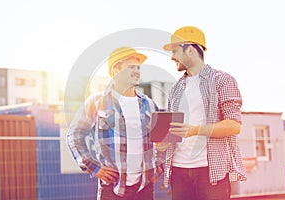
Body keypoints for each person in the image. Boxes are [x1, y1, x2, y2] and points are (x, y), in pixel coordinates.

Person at [159, 26, 247, 200]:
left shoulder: (222, 81)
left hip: (210, 172)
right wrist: (163, 142)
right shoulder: (176, 89)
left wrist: (195, 130)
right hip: (179, 170)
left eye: (175, 51)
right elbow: (175, 130)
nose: (172, 57)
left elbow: (234, 125)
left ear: (190, 50)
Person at [66, 47, 162, 200]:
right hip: (111, 189)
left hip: (145, 188)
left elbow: (164, 139)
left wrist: (159, 166)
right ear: (116, 69)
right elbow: (74, 135)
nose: (137, 71)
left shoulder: (149, 104)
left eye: (138, 67)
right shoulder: (96, 102)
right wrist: (93, 167)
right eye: (131, 67)